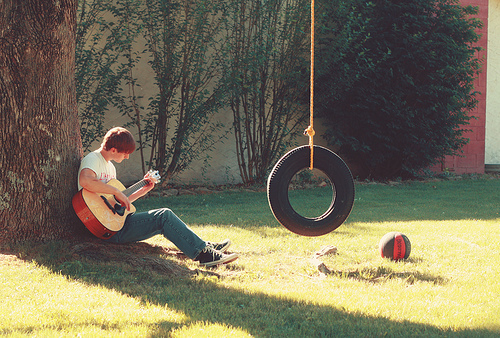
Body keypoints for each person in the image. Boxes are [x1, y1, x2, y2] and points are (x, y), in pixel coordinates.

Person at [76, 126, 238, 267]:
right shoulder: (93, 159)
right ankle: (204, 255)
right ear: (113, 150)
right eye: (125, 153)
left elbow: (118, 206)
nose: (127, 157)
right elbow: (85, 181)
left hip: (116, 223)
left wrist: (144, 189)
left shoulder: (110, 167)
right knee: (164, 216)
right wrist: (116, 191)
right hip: (105, 230)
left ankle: (204, 247)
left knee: (163, 216)